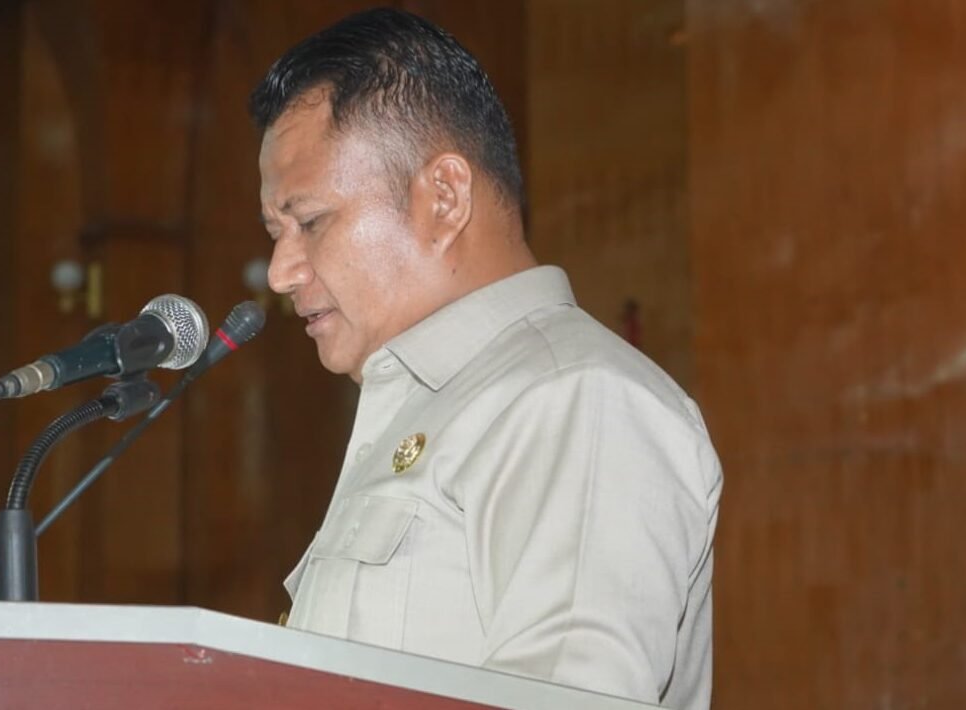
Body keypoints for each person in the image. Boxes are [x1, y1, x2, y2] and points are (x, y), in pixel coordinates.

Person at [250, 8, 722, 709]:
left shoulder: (574, 398)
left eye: (310, 222)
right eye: (274, 232)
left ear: (443, 198)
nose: (281, 272)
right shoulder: (426, 411)